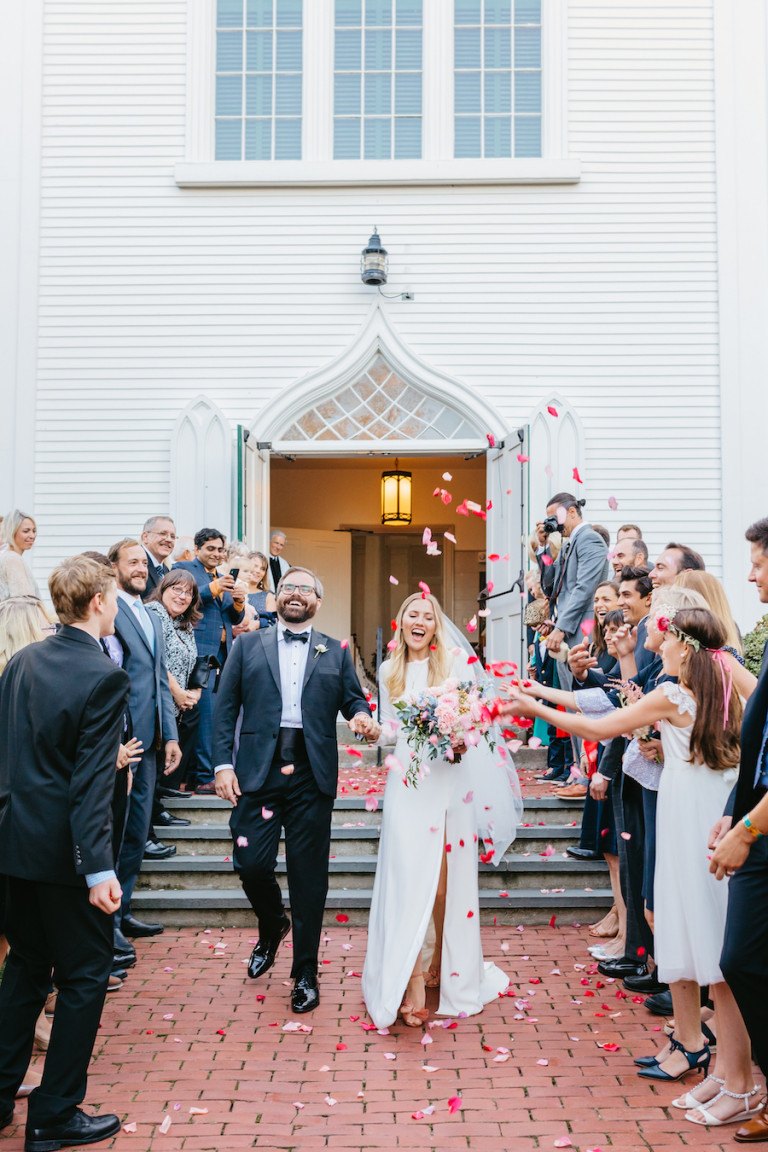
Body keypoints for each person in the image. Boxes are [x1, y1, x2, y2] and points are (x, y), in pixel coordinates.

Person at [502, 608, 758, 1126]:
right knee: (714, 953)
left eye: (661, 640)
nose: (653, 647)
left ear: (682, 647)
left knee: (715, 955)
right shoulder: (725, 682)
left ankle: (740, 1082)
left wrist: (533, 706)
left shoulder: (675, 693)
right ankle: (726, 1073)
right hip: (716, 812)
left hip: (693, 824)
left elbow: (597, 726)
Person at [0, 555, 130, 1150]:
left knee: (25, 968)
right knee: (84, 975)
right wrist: (99, 867)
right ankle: (54, 1115)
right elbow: (89, 781)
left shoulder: (21, 662)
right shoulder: (103, 674)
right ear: (99, 602)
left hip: (15, 848)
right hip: (68, 857)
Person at [213, 567, 379, 1015]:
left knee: (309, 879)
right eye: (288, 587)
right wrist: (223, 765)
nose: (295, 594)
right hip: (257, 770)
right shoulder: (247, 646)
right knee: (250, 862)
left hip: (311, 771)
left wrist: (361, 715)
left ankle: (304, 971)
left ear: (318, 602)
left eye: (306, 588)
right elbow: (225, 708)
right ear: (276, 598)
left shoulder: (335, 650)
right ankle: (272, 924)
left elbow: (352, 698)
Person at [362, 593, 523, 1029]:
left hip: (451, 783)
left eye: (427, 616)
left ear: (436, 626)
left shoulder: (453, 663)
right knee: (409, 878)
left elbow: (478, 718)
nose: (419, 621)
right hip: (409, 784)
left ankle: (442, 967)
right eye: (412, 614)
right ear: (401, 622)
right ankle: (412, 981)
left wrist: (459, 733)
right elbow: (393, 729)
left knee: (441, 888)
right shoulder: (389, 670)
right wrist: (376, 729)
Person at [712, 517, 768, 1141]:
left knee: (741, 959)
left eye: (757, 560)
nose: (750, 572)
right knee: (743, 960)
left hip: (763, 831)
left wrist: (747, 829)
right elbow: (761, 739)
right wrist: (736, 803)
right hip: (753, 814)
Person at [109, 539, 180, 954]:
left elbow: (157, 679)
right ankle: (108, 923)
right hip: (124, 742)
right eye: (131, 562)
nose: (139, 568)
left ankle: (124, 910)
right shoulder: (111, 611)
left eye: (142, 563)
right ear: (114, 566)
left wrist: (170, 734)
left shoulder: (151, 615)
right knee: (118, 834)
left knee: (136, 833)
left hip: (151, 739)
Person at [174, 529, 245, 793]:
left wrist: (237, 603)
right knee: (204, 714)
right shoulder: (184, 568)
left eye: (220, 550)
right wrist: (214, 588)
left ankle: (205, 771)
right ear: (197, 548)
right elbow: (186, 598)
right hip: (199, 652)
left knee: (217, 714)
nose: (216, 554)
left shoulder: (222, 577)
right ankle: (204, 776)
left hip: (222, 655)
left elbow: (233, 619)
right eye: (211, 549)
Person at [538, 493, 609, 690]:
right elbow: (549, 585)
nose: (554, 524)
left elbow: (584, 588)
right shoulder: (568, 543)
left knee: (581, 694)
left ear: (571, 512)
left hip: (581, 628)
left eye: (555, 517)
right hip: (568, 626)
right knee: (569, 694)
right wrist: (542, 547)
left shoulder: (590, 539)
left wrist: (562, 628)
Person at [145, 570, 201, 811]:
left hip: (179, 702)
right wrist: (177, 691)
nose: (182, 596)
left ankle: (161, 798)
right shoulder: (155, 613)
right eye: (176, 590)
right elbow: (154, 657)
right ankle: (154, 809)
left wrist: (194, 692)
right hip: (158, 697)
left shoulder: (185, 624)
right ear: (163, 589)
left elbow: (193, 662)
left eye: (188, 592)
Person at [0, 510, 39, 600]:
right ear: (12, 532)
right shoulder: (12, 559)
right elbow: (24, 602)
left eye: (34, 531)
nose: (32, 535)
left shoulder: (7, 556)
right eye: (26, 531)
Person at [140, 516, 177, 601]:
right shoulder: (135, 563)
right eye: (163, 534)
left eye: (172, 536)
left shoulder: (166, 570)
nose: (169, 539)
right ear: (145, 537)